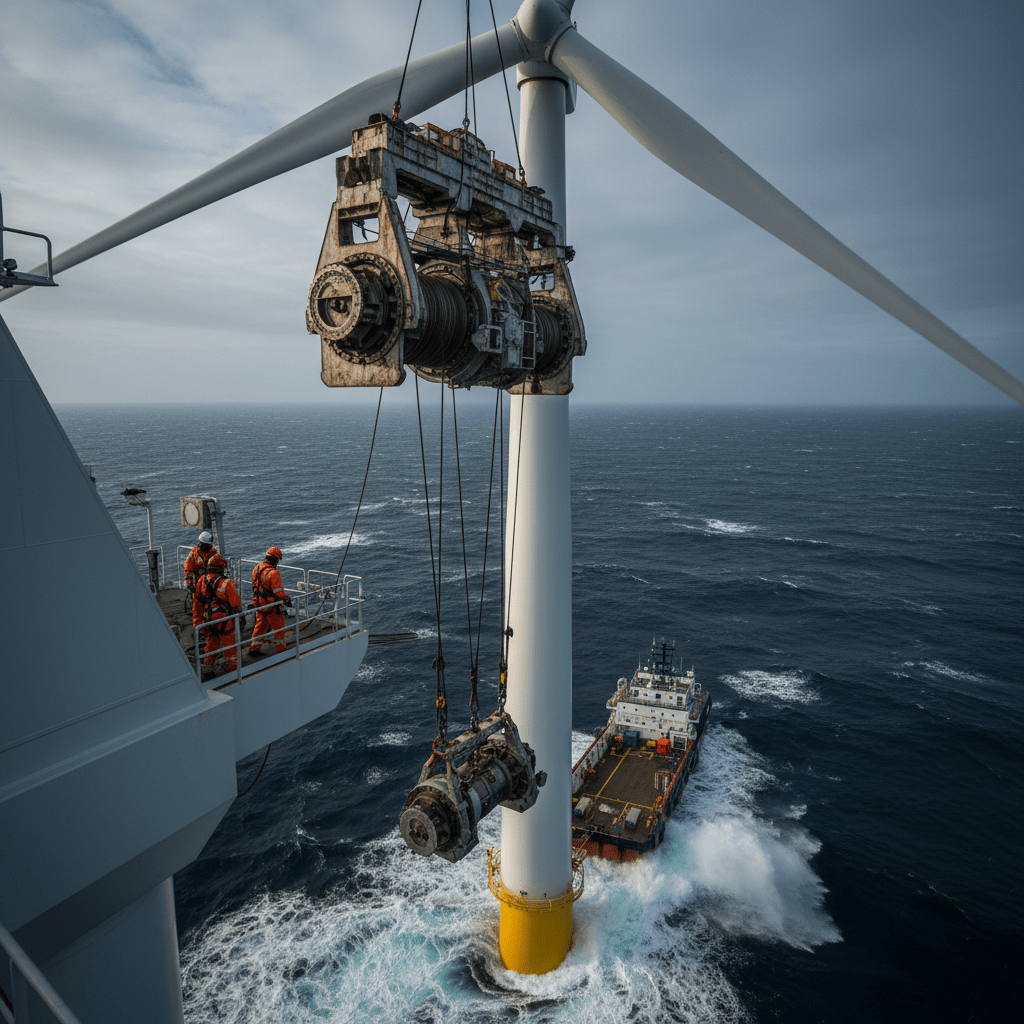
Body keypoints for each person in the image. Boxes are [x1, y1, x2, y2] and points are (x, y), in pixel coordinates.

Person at [194, 554, 241, 674]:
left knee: (211, 644)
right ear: (221, 568)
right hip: (222, 619)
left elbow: (197, 604)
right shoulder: (226, 582)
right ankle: (233, 670)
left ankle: (207, 669)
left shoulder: (201, 580)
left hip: (207, 618)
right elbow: (235, 604)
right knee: (230, 647)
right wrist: (240, 618)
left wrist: (197, 622)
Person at [250, 546, 292, 655]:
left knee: (260, 625)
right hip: (271, 604)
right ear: (274, 559)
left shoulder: (257, 568)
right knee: (279, 626)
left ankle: (254, 648)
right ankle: (280, 649)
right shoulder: (274, 573)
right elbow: (278, 592)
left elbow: (255, 585)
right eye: (277, 560)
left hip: (258, 603)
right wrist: (287, 599)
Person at [183, 531, 218, 609]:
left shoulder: (213, 552)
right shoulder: (194, 554)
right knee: (198, 605)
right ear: (203, 544)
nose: (210, 546)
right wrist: (190, 585)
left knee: (211, 604)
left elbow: (218, 565)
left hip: (210, 583)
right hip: (197, 584)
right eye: (208, 545)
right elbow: (188, 571)